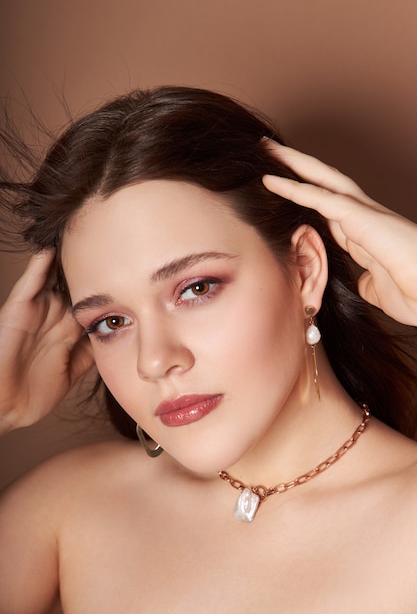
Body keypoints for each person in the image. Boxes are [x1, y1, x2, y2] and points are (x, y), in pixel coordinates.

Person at [0, 86, 417, 613]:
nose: (154, 360)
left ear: (305, 270)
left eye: (195, 289)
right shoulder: (66, 509)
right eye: (110, 322)